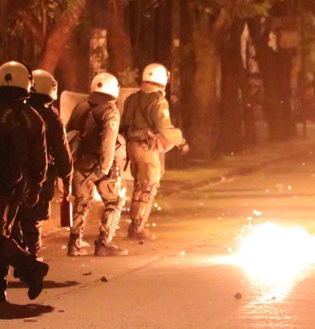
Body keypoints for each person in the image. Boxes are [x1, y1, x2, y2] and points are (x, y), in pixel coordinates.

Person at [121, 63, 187, 241]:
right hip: (147, 149)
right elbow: (165, 129)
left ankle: (134, 226)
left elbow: (124, 125)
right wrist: (180, 140)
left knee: (139, 187)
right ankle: (137, 228)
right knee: (148, 188)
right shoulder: (158, 100)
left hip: (132, 147)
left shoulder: (131, 98)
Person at [0, 61, 49, 302]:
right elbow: (40, 160)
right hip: (17, 186)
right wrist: (36, 186)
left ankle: (30, 268)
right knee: (3, 234)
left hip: (6, 183)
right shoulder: (34, 118)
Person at [12, 70, 72, 260]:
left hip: (11, 173)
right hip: (40, 174)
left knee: (13, 216)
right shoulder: (49, 116)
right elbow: (61, 150)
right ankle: (31, 257)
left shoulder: (14, 110)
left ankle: (17, 253)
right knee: (32, 217)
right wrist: (66, 175)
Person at [66, 72, 128, 256]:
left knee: (81, 201)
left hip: (79, 162)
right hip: (98, 163)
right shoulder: (110, 111)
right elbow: (108, 142)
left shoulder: (80, 107)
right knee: (114, 201)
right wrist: (105, 168)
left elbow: (69, 133)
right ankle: (103, 243)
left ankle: (74, 243)